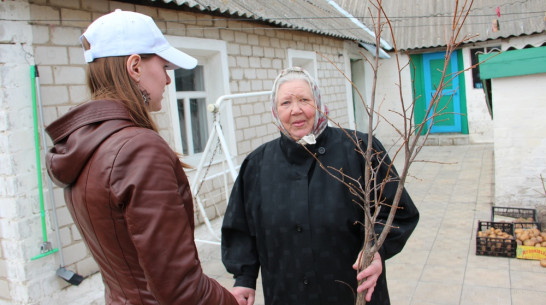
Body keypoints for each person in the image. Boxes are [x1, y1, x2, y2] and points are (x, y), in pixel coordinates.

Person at [45, 9, 240, 305]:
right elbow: (181, 290)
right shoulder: (138, 150)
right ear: (135, 66)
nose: (168, 80)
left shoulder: (85, 145)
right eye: (164, 67)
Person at [221, 67, 420, 305]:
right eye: (286, 103)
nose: (296, 110)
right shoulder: (257, 165)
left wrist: (377, 251)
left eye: (304, 100)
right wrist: (244, 278)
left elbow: (396, 211)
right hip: (287, 293)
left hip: (353, 291)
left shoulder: (360, 150)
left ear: (319, 103)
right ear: (275, 111)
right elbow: (240, 228)